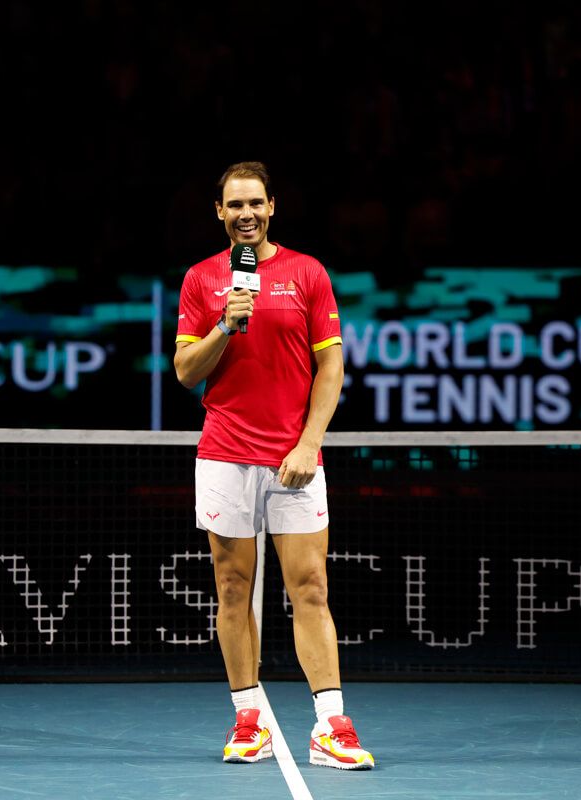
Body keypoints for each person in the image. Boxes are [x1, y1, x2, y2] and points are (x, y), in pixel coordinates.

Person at [173, 161, 374, 770]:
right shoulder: (201, 280)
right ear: (219, 211)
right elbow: (186, 373)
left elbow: (331, 368)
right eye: (235, 205)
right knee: (233, 588)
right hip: (225, 454)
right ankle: (248, 719)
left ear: (272, 207)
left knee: (310, 587)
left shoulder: (307, 273)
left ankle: (331, 726)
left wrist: (309, 443)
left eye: (255, 203)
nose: (246, 214)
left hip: (293, 458)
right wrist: (225, 327)